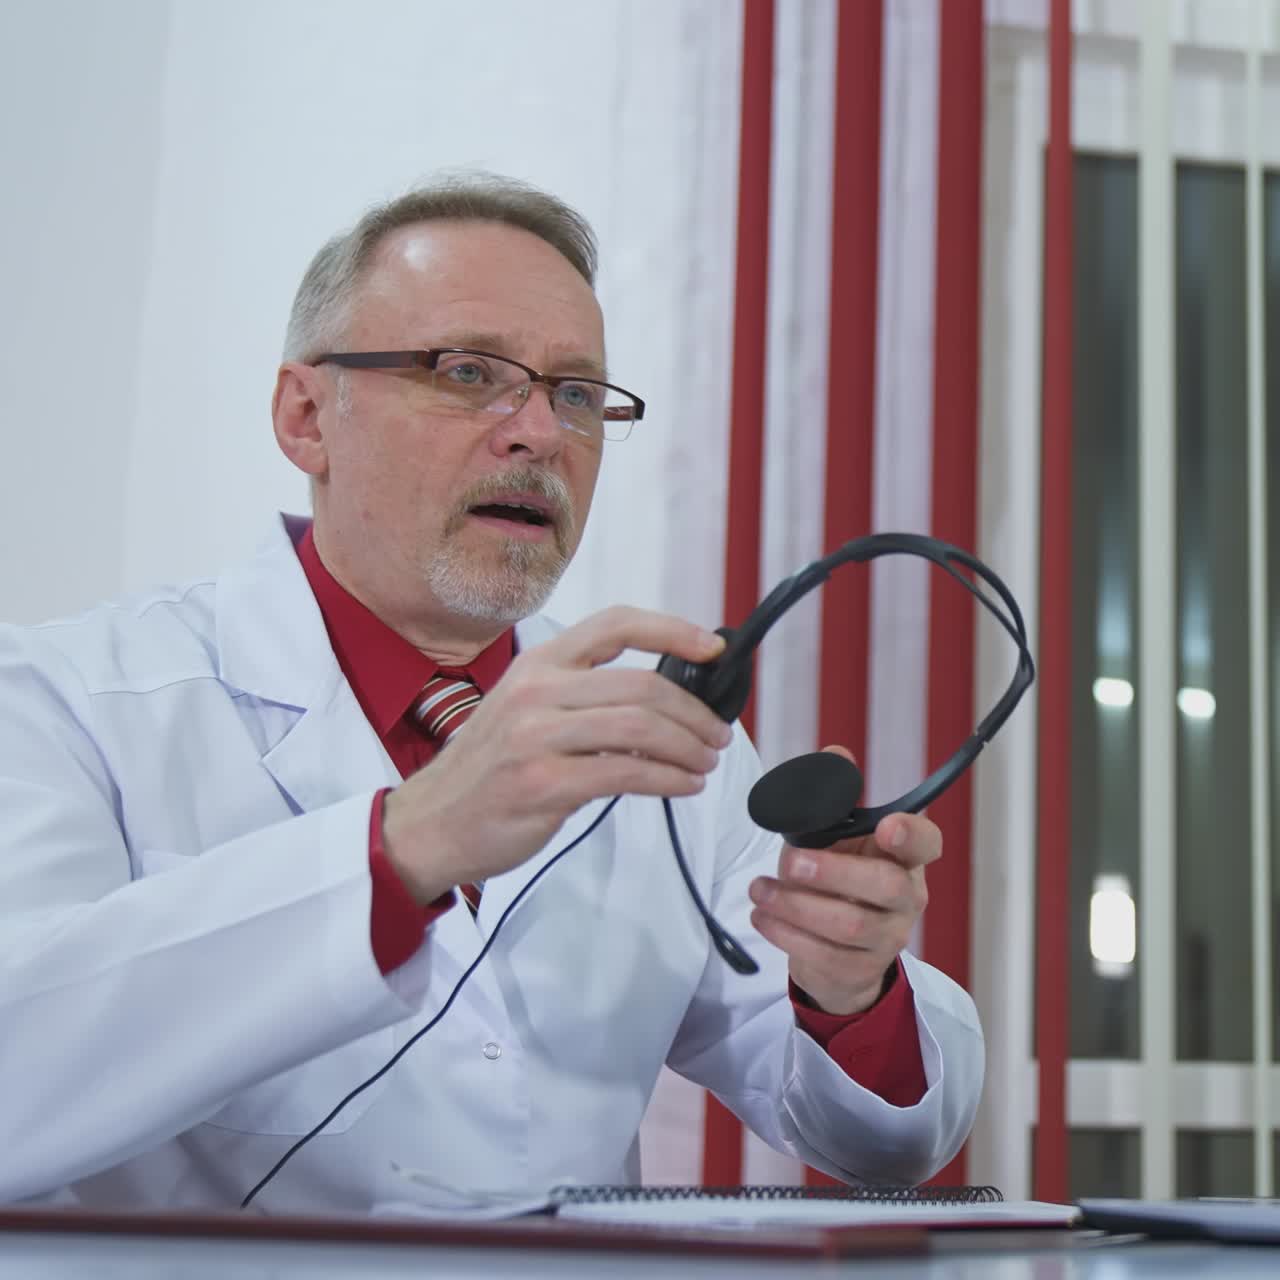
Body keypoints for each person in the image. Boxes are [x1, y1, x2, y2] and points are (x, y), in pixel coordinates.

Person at [0, 174, 983, 1213]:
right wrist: (406, 844)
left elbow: (876, 1139)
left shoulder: (651, 732)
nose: (538, 433)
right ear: (304, 417)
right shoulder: (67, 701)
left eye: (575, 393)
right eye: (466, 371)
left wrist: (848, 985)